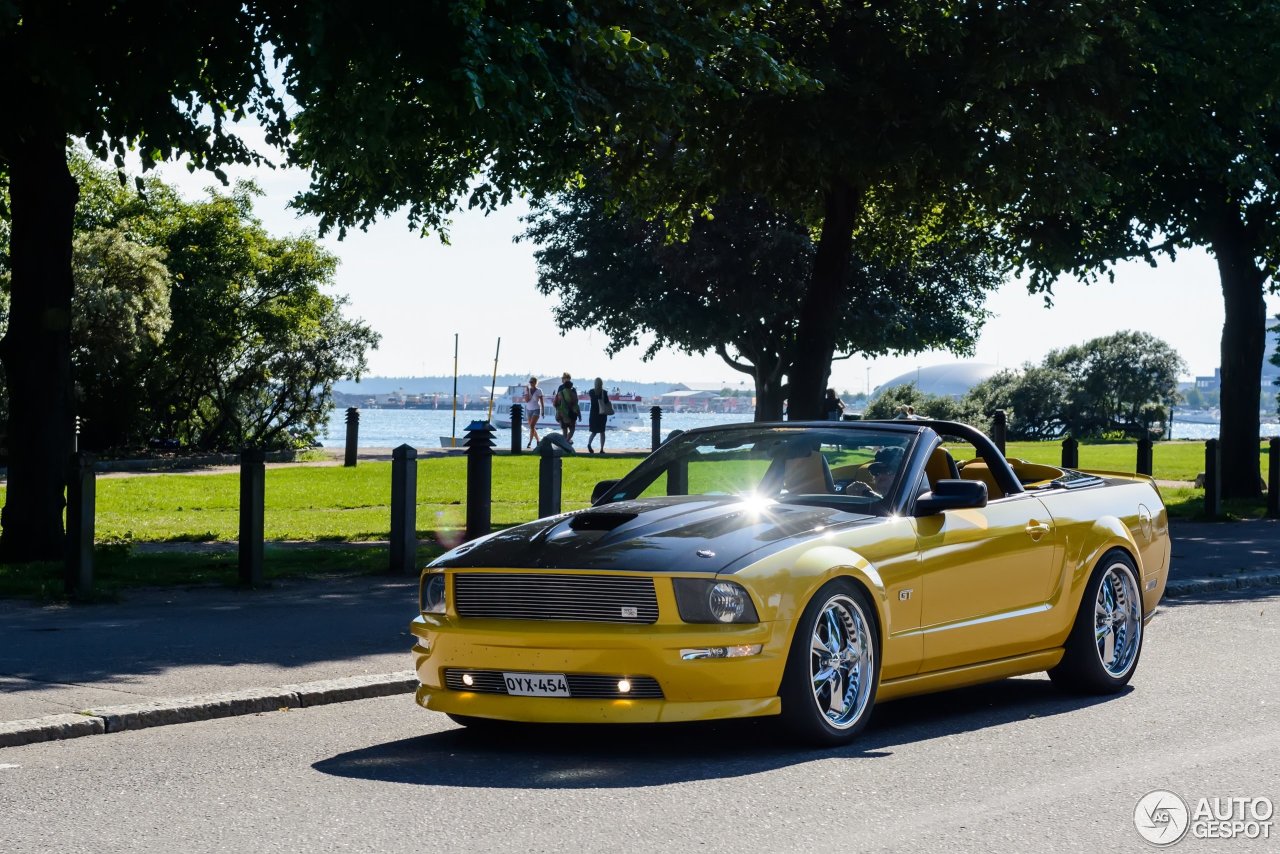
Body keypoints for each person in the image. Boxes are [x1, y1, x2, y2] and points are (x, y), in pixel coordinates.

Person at [553, 372, 580, 443]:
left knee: (567, 430)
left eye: (567, 378)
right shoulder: (571, 389)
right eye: (565, 378)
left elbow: (556, 401)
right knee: (570, 430)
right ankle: (566, 442)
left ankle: (565, 443)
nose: (566, 379)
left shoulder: (562, 388)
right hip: (569, 412)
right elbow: (576, 401)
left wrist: (557, 411)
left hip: (563, 412)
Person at [586, 377, 611, 453]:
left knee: (594, 432)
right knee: (602, 432)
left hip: (593, 414)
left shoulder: (591, 392)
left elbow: (593, 401)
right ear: (602, 384)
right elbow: (606, 403)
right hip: (602, 414)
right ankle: (601, 449)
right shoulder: (604, 392)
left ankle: (589, 444)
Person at [523, 376, 544, 449]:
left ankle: (530, 442)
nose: (530, 383)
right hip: (528, 410)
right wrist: (527, 391)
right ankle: (538, 441)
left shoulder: (539, 390)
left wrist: (543, 410)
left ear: (535, 383)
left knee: (532, 426)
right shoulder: (527, 390)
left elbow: (541, 401)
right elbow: (527, 400)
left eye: (532, 382)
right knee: (532, 427)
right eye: (530, 382)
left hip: (536, 409)